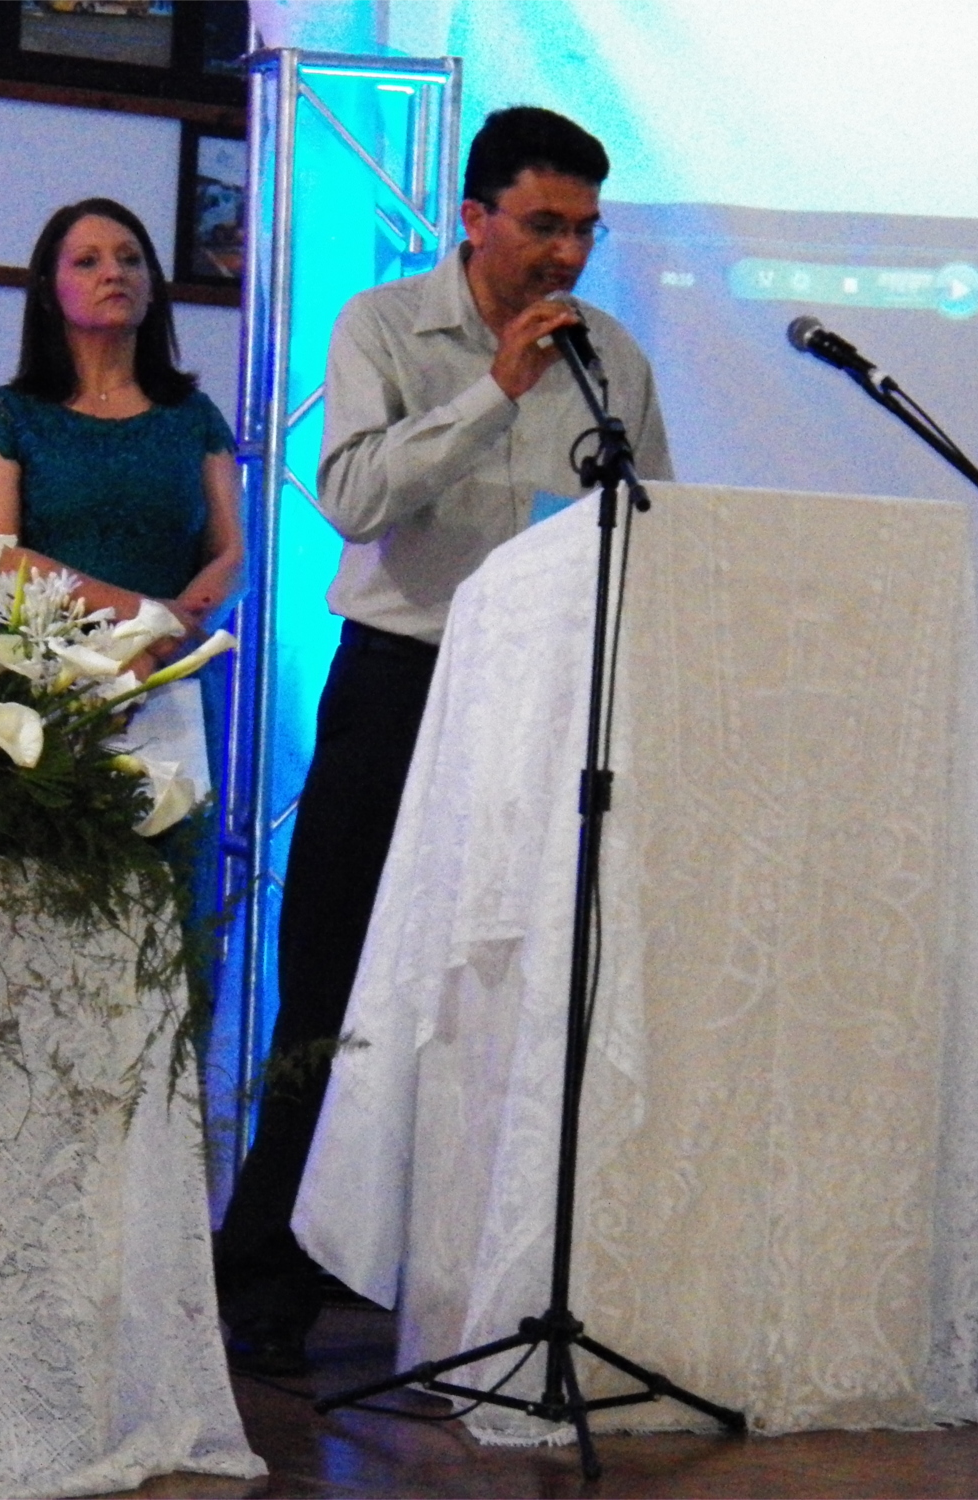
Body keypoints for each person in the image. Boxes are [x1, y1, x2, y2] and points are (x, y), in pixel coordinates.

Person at [213, 107, 673, 1375]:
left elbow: (654, 527)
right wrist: (494, 393)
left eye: (583, 230)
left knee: (508, 986)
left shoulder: (611, 359)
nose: (565, 254)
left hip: (545, 700)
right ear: (473, 218)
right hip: (400, 680)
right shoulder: (383, 327)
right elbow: (349, 497)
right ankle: (266, 1280)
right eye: (542, 225)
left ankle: (467, 1272)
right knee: (335, 977)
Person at [0, 197, 243, 666]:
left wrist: (159, 647)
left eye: (130, 260)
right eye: (88, 262)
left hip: (166, 678)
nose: (114, 273)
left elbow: (232, 557)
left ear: (152, 287)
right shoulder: (7, 416)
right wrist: (143, 618)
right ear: (49, 292)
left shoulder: (194, 416)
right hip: (41, 677)